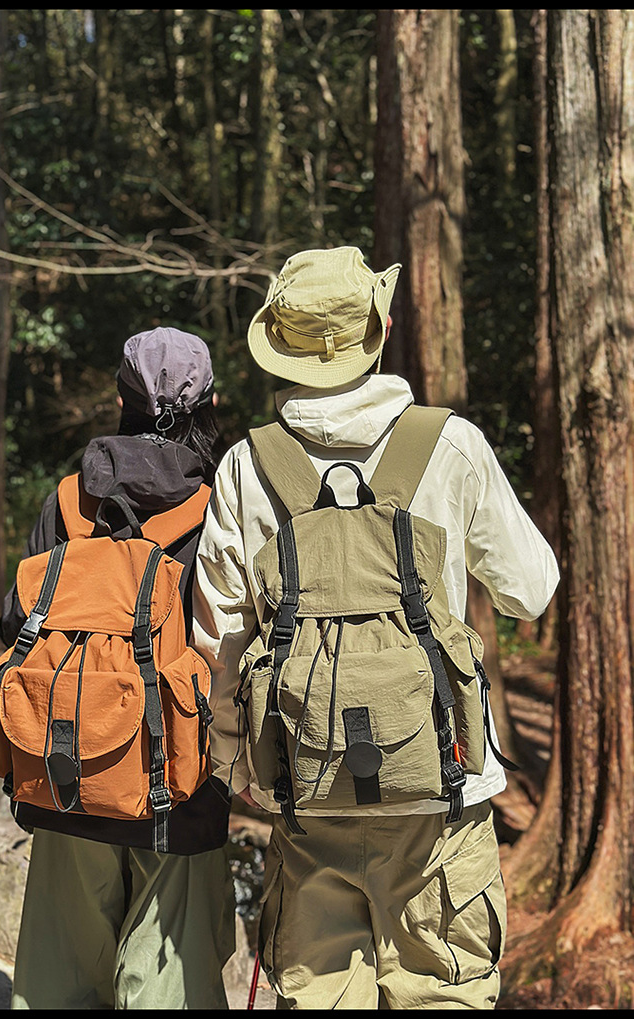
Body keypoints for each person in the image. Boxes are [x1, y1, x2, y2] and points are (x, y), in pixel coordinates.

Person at [190, 246, 560, 1010]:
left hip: (306, 788)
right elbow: (531, 591)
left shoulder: (245, 466)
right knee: (444, 994)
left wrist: (239, 769)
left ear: (279, 344)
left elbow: (220, 643)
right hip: (442, 791)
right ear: (380, 328)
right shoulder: (450, 443)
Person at [1, 327, 236, 1010]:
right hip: (180, 787)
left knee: (60, 982)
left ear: (118, 399)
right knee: (167, 986)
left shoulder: (67, 502)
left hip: (63, 772)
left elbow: (15, 623)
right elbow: (232, 646)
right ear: (210, 402)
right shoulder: (220, 506)